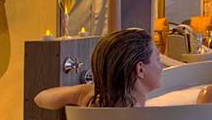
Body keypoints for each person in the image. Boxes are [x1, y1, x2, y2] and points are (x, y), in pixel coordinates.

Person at [34, 28, 163, 109]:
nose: (161, 66)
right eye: (157, 59)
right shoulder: (147, 119)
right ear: (140, 69)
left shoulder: (92, 98)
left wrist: (83, 93)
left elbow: (40, 98)